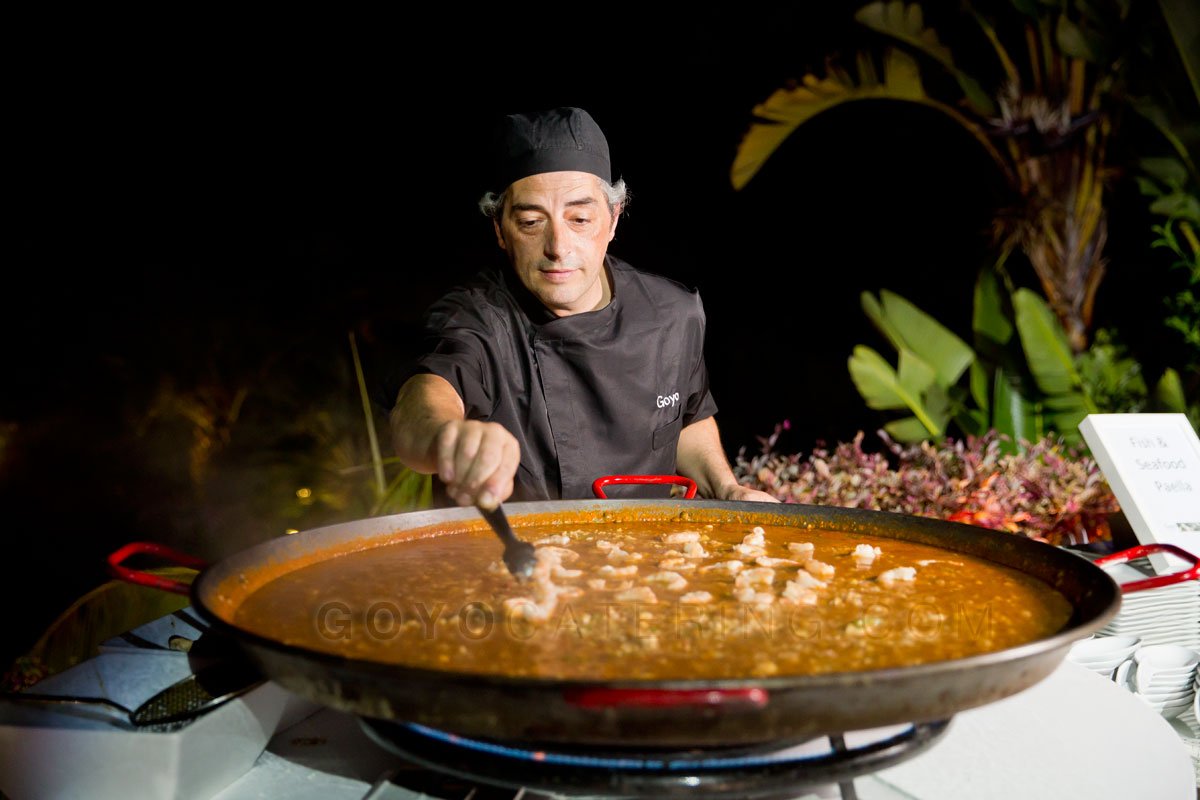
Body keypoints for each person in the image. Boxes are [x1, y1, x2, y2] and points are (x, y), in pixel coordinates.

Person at [390, 106, 776, 509]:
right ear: (500, 230)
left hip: (647, 558)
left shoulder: (672, 313)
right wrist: (448, 439)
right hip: (510, 559)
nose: (558, 247)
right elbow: (422, 404)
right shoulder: (476, 320)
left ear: (612, 221)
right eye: (530, 223)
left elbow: (687, 420)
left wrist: (727, 488)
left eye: (579, 219)